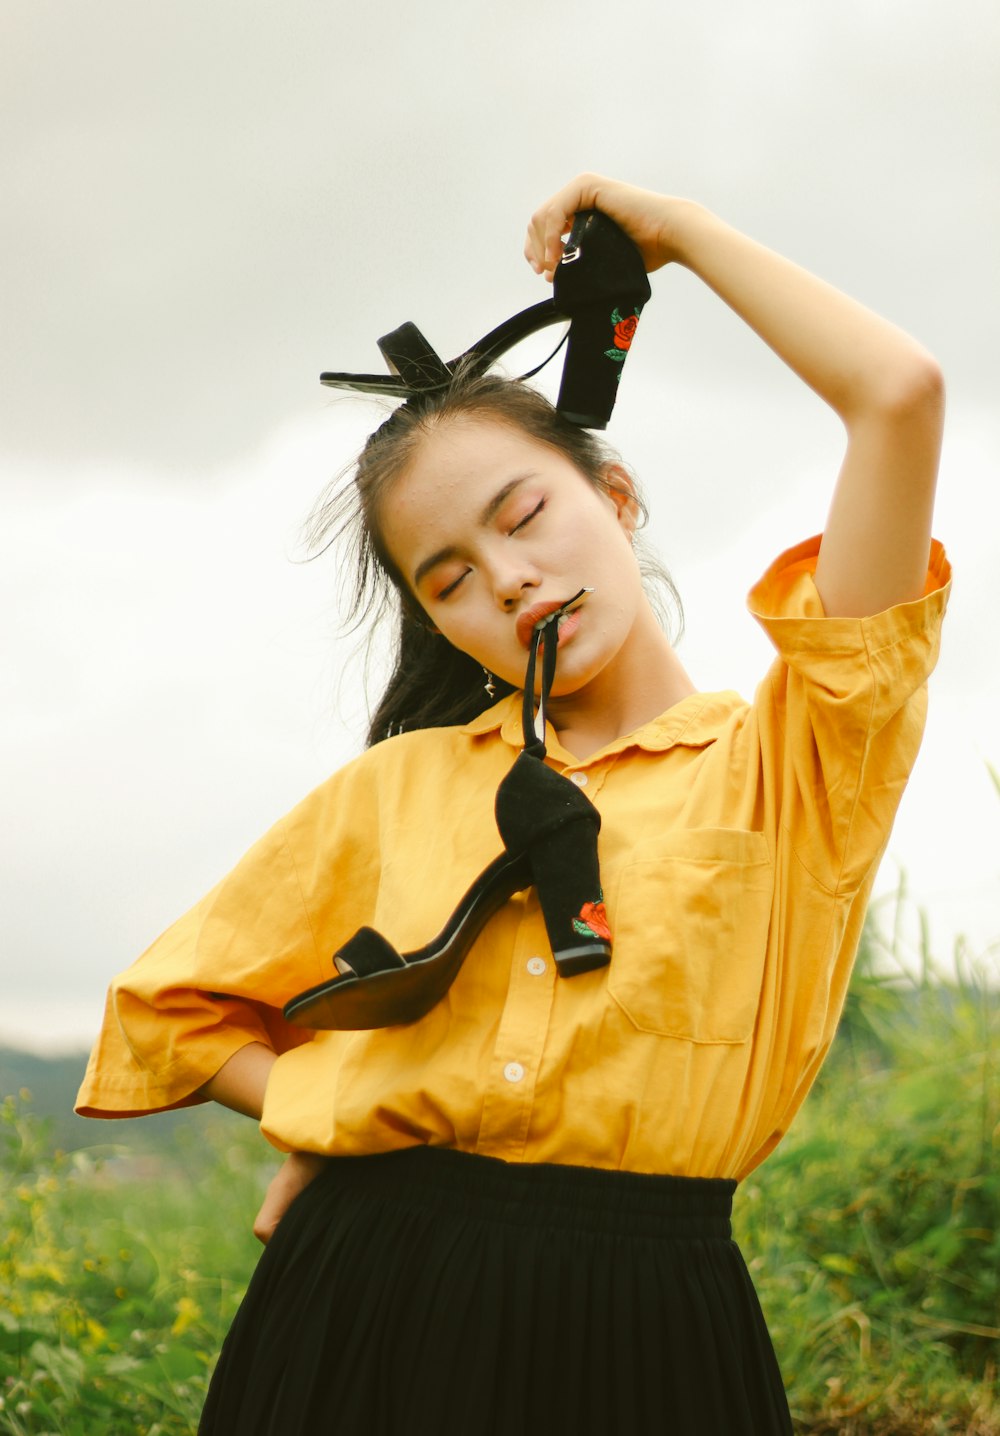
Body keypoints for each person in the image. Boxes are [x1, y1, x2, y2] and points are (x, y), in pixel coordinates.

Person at [76, 173, 950, 1434]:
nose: (512, 580)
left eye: (525, 514)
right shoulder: (404, 786)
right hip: (362, 1307)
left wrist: (684, 237)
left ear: (616, 497)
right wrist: (341, 1115)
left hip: (647, 1330)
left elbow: (899, 395)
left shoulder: (798, 760)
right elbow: (175, 1009)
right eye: (453, 579)